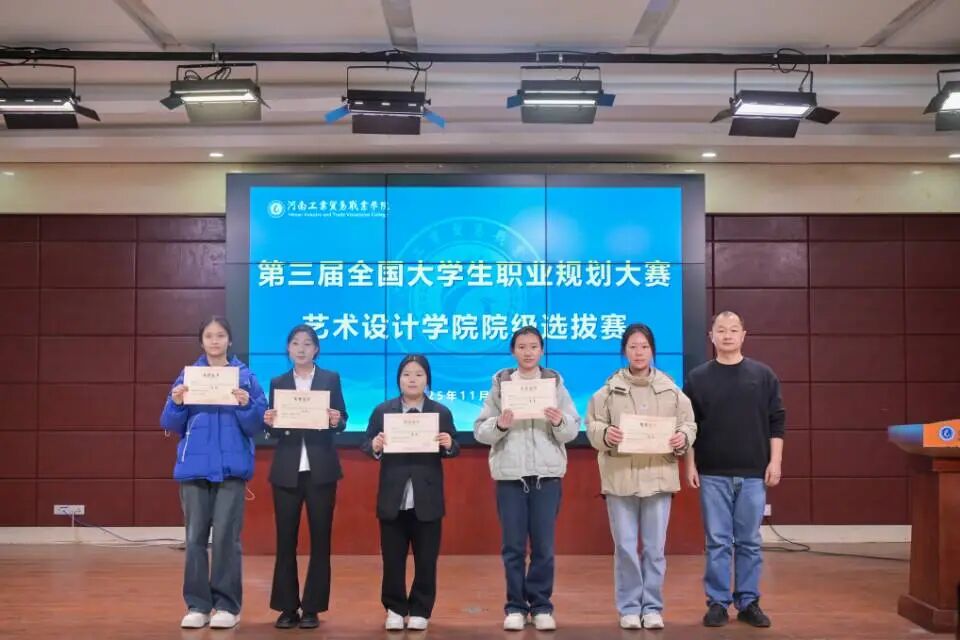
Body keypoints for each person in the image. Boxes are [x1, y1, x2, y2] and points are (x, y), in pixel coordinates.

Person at [586, 323, 697, 630]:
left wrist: (682, 438)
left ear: (652, 351)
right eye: (633, 347)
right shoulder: (607, 392)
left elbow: (689, 425)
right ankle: (629, 608)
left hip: (658, 477)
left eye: (644, 347)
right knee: (625, 547)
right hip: (620, 477)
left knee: (654, 549)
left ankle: (653, 607)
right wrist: (605, 434)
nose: (639, 352)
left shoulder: (671, 390)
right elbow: (592, 426)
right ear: (624, 351)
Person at [160, 316, 267, 630]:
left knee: (225, 539)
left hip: (231, 469)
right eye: (209, 336)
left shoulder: (245, 377)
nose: (215, 341)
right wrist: (177, 402)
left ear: (229, 340)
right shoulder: (188, 376)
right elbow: (169, 423)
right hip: (194, 468)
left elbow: (257, 424)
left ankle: (227, 606)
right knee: (194, 539)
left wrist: (246, 405)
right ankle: (197, 605)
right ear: (202, 341)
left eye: (221, 335)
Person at [473, 326, 580, 632]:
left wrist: (559, 421)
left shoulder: (554, 383)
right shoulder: (501, 384)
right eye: (522, 346)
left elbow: (572, 428)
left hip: (547, 476)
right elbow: (480, 430)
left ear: (541, 350)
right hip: (511, 476)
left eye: (534, 346)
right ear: (513, 351)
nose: (528, 352)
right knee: (513, 547)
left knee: (544, 547)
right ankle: (516, 607)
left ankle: (542, 606)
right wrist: (500, 424)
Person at [684, 311, 785, 629]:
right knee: (717, 541)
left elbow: (777, 421)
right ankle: (717, 603)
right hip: (712, 472)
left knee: (749, 541)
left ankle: (748, 601)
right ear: (711, 336)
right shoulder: (698, 378)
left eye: (733, 330)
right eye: (721, 330)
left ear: (743, 335)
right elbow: (689, 426)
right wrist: (689, 464)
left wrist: (775, 461)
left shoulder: (763, 375)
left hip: (754, 473)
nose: (727, 335)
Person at [361, 354, 460, 631]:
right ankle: (394, 608)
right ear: (399, 379)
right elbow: (366, 443)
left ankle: (420, 609)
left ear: (427, 379)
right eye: (406, 374)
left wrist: (448, 443)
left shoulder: (440, 412)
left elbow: (454, 447)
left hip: (427, 497)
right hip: (393, 497)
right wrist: (375, 446)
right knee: (392, 559)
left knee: (426, 560)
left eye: (418, 374)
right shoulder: (384, 411)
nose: (412, 380)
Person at [262, 324, 348, 629]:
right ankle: (287, 608)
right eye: (296, 343)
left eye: (307, 343)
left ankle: (312, 607)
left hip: (321, 470)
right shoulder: (278, 382)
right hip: (287, 470)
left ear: (316, 349)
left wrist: (336, 420)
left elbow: (342, 418)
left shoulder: (330, 379)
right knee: (285, 541)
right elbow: (273, 429)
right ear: (288, 349)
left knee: (321, 540)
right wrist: (269, 421)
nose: (301, 348)